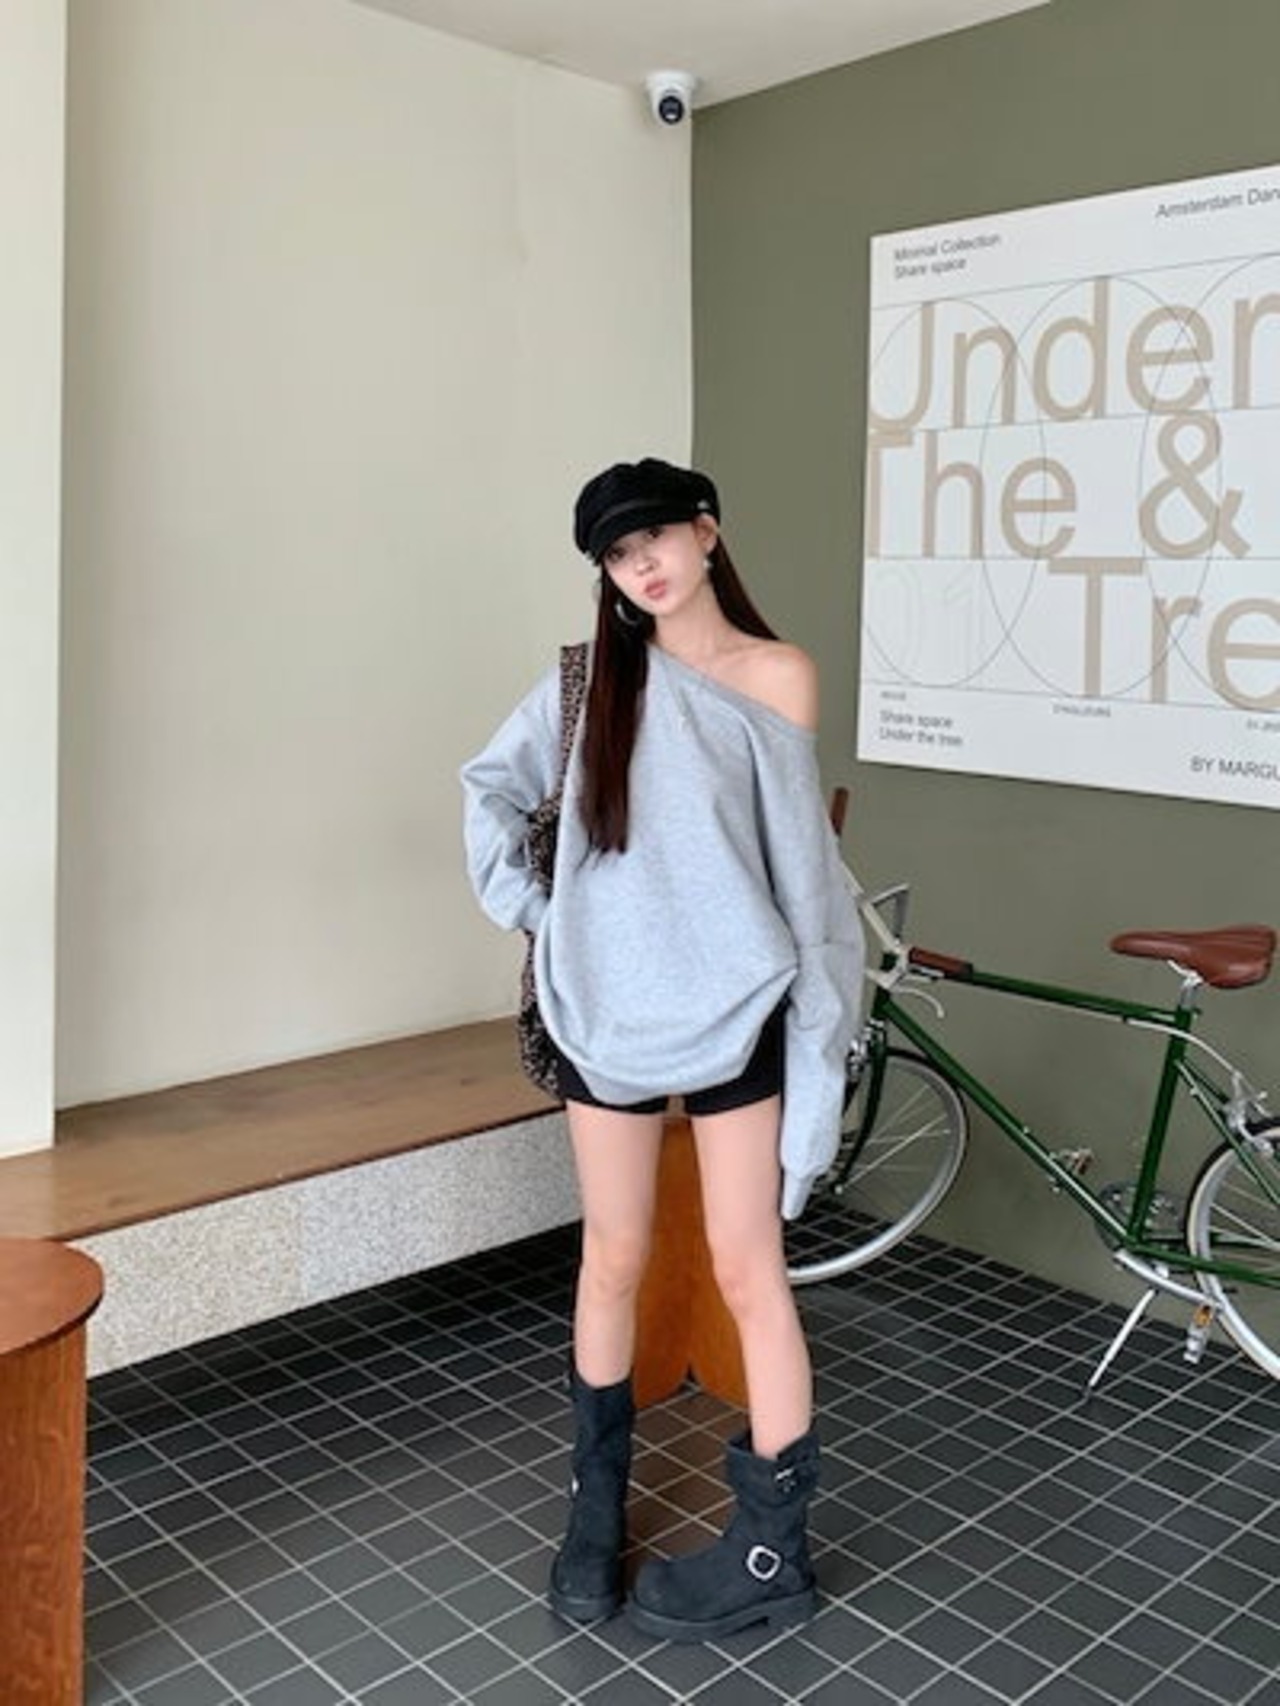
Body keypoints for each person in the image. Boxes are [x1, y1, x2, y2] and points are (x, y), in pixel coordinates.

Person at [460, 456, 863, 1643]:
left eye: (654, 538)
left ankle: (770, 1547)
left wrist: (820, 1031)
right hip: (605, 1011)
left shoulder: (776, 675)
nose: (640, 565)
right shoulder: (587, 680)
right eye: (615, 553)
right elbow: (488, 789)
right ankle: (593, 1511)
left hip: (739, 1001)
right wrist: (549, 917)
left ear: (705, 531)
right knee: (612, 1256)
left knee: (749, 1267)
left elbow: (801, 873)